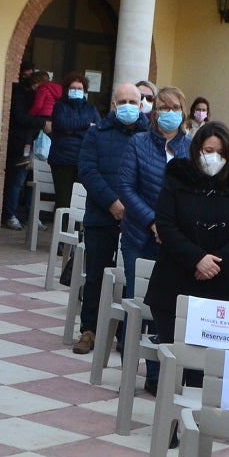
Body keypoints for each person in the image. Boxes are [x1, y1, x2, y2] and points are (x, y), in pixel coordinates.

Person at [144, 121, 229, 373]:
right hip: (175, 281)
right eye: (208, 150)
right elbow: (166, 224)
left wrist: (216, 262)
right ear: (197, 150)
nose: (214, 157)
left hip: (220, 284)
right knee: (173, 363)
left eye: (221, 152)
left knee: (208, 369)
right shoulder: (177, 179)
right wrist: (197, 258)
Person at [71, 83, 143, 355]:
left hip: (137, 221)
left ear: (141, 106)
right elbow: (87, 171)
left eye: (133, 102)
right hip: (101, 216)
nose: (128, 107)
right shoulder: (96, 133)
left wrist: (134, 208)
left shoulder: (148, 136)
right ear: (113, 105)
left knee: (134, 277)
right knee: (96, 276)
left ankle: (127, 333)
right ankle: (89, 330)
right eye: (122, 101)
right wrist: (112, 202)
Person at [119, 86, 191, 305]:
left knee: (167, 305)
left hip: (176, 240)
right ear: (155, 113)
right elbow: (126, 188)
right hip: (139, 236)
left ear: (183, 112)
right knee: (138, 303)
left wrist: (171, 229)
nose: (170, 112)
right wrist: (153, 223)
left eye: (175, 107)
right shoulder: (138, 143)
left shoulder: (191, 148)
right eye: (164, 107)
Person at [1, 67, 51, 230]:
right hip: (22, 144)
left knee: (34, 182)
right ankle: (10, 214)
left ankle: (32, 216)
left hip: (38, 146)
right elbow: (20, 118)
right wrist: (42, 122)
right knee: (18, 181)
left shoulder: (43, 97)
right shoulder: (22, 96)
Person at [47, 74, 99, 218]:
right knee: (63, 201)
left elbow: (98, 129)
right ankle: (61, 231)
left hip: (84, 161)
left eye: (79, 88)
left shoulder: (91, 109)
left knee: (80, 203)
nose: (76, 91)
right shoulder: (60, 107)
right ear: (67, 90)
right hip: (62, 161)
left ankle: (75, 231)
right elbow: (62, 124)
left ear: (85, 90)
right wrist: (86, 124)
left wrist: (73, 130)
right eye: (73, 88)